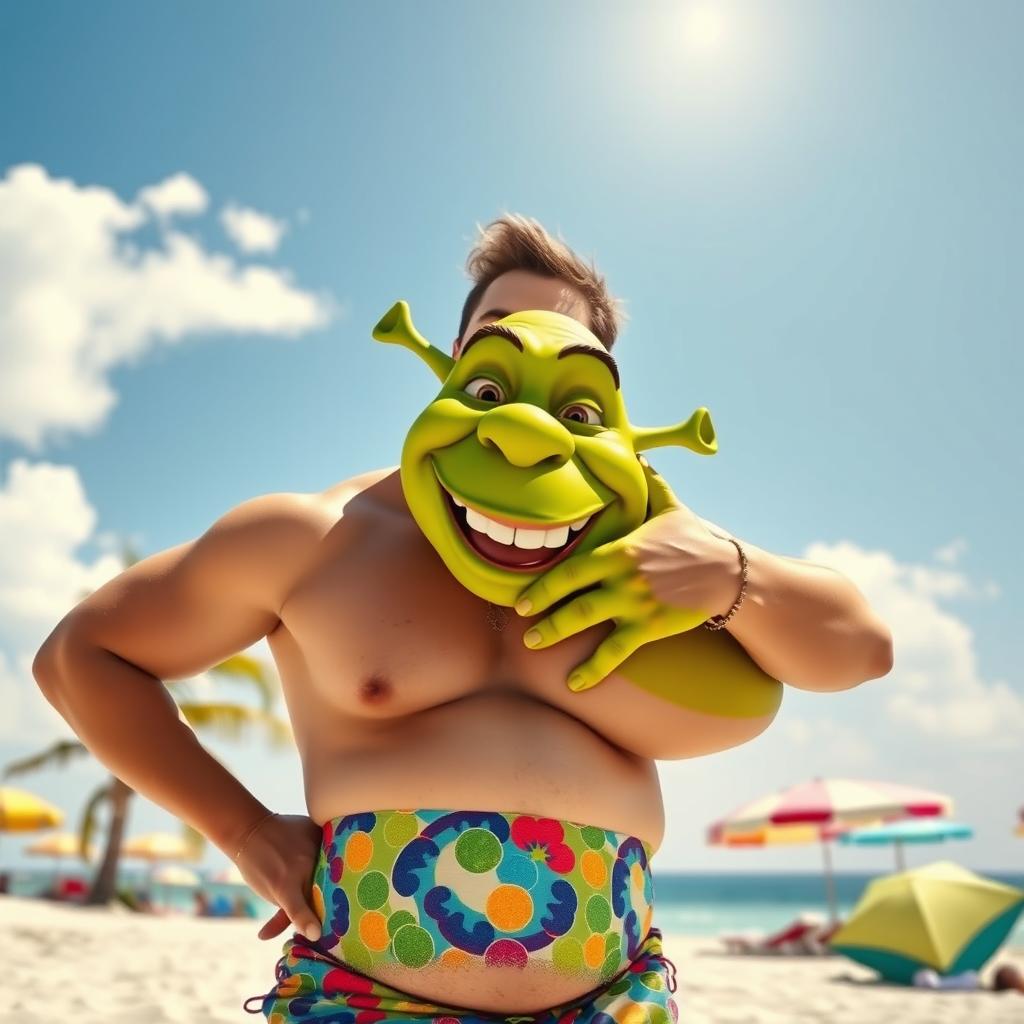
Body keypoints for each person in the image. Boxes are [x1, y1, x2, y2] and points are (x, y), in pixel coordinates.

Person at [31, 214, 893, 1022]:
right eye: (504, 334)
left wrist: (731, 572)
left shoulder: (666, 558)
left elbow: (862, 651)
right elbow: (80, 655)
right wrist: (243, 827)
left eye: (571, 351)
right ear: (453, 357)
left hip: (617, 997)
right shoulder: (319, 535)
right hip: (365, 993)